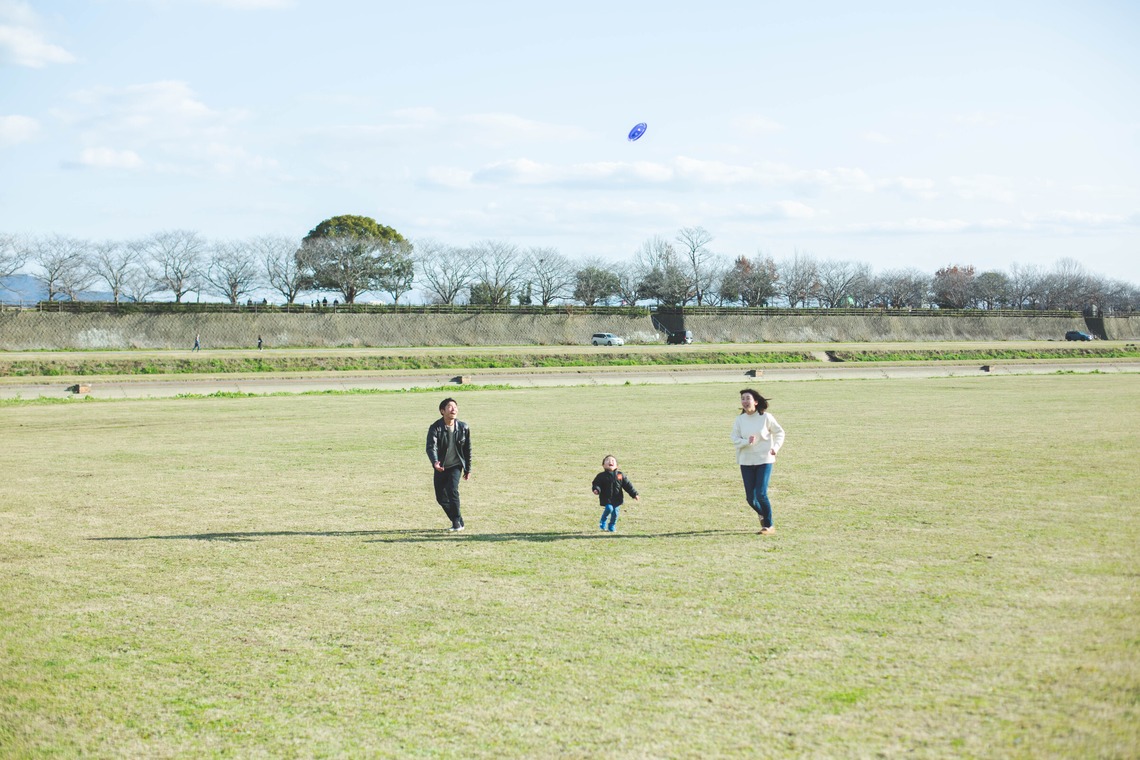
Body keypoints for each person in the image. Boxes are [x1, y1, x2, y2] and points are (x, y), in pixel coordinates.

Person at [731, 388, 785, 535]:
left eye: (748, 398)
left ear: (755, 401)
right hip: (746, 461)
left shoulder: (766, 417)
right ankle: (763, 515)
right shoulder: (739, 420)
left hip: (764, 459)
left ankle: (769, 525)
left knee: (761, 493)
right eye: (743, 398)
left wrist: (775, 447)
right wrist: (746, 441)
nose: (745, 401)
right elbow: (734, 439)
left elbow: (780, 433)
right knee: (750, 498)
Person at [425, 397, 472, 531]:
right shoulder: (435, 428)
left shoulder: (463, 427)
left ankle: (456, 523)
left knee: (452, 490)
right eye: (450, 407)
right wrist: (435, 462)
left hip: (455, 465)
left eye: (455, 407)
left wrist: (468, 469)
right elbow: (430, 447)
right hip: (440, 466)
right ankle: (457, 519)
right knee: (441, 498)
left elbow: (467, 449)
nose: (454, 409)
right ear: (442, 411)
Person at [592, 455, 639, 532]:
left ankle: (611, 526)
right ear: (603, 465)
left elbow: (627, 485)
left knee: (615, 513)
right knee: (609, 508)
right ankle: (603, 521)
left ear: (617, 465)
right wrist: (596, 489)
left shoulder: (620, 475)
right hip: (606, 498)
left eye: (613, 461)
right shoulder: (601, 476)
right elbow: (596, 484)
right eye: (607, 460)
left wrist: (634, 494)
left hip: (617, 498)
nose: (610, 462)